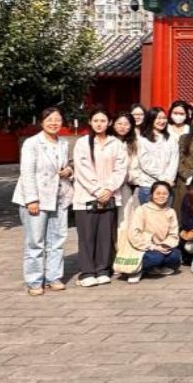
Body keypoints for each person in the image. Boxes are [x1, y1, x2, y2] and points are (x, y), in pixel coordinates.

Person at [13, 107, 74, 295]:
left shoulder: (63, 143)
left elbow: (66, 166)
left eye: (58, 119)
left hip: (59, 197)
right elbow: (27, 173)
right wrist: (32, 199)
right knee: (35, 242)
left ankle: (54, 277)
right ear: (42, 122)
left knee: (57, 240)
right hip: (37, 199)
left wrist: (69, 171)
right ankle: (34, 281)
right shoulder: (32, 143)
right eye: (50, 119)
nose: (54, 123)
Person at [72, 108, 127, 287]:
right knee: (87, 235)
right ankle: (87, 272)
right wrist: (97, 190)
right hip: (86, 196)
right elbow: (82, 169)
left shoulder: (116, 143)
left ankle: (103, 269)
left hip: (109, 195)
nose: (99, 124)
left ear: (109, 123)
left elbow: (121, 168)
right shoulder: (82, 143)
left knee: (105, 235)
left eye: (103, 121)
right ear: (90, 122)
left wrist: (109, 188)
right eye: (95, 120)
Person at [126, 181, 181, 284]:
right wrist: (153, 247)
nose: (161, 196)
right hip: (145, 248)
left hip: (162, 246)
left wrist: (165, 245)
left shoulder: (170, 212)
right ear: (151, 194)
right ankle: (137, 270)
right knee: (155, 258)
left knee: (175, 256)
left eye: (165, 194)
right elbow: (134, 234)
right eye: (158, 193)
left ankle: (154, 269)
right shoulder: (142, 210)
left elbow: (173, 234)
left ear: (169, 195)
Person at [135, 107, 177, 205]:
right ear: (151, 119)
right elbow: (145, 163)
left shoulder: (171, 138)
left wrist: (169, 179)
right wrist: (163, 178)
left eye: (164, 118)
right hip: (148, 186)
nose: (162, 121)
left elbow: (174, 161)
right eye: (158, 118)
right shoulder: (142, 139)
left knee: (165, 214)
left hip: (167, 185)